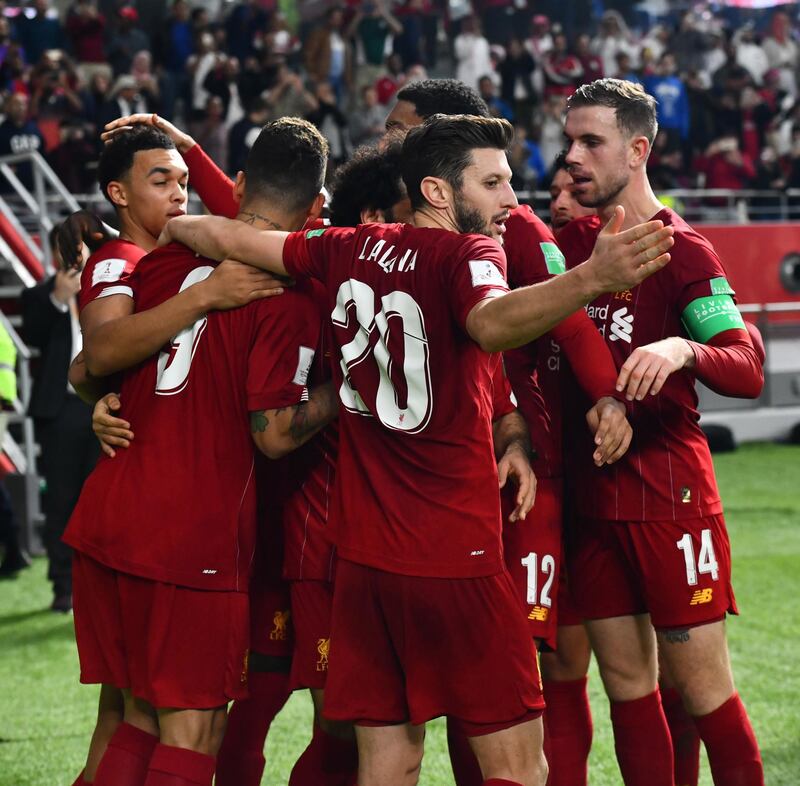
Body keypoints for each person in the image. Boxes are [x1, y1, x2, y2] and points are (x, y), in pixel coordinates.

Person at [161, 113, 674, 786]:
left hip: (366, 568)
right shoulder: (469, 256)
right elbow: (490, 324)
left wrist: (173, 227)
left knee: (389, 764)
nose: (511, 201)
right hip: (456, 559)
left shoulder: (348, 246)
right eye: (492, 183)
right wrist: (588, 279)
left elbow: (233, 234)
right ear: (437, 191)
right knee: (519, 764)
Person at [63, 117, 338, 786]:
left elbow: (90, 368)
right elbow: (273, 433)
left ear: (236, 185)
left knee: (138, 718)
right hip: (192, 533)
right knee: (196, 730)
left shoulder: (157, 262)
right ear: (316, 209)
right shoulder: (285, 294)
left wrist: (97, 398)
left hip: (114, 513)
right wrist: (343, 389)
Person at [559, 77, 764, 786]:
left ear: (638, 150)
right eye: (569, 141)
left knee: (705, 695)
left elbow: (744, 366)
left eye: (591, 142)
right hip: (594, 501)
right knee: (628, 693)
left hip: (670, 500)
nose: (573, 157)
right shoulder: (574, 251)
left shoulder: (682, 250)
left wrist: (683, 349)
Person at [20, 227, 96, 613]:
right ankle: (63, 586)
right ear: (52, 256)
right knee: (62, 501)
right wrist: (57, 300)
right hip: (61, 411)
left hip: (104, 405)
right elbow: (32, 338)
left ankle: (100, 585)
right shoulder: (36, 296)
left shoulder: (109, 287)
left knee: (101, 501)